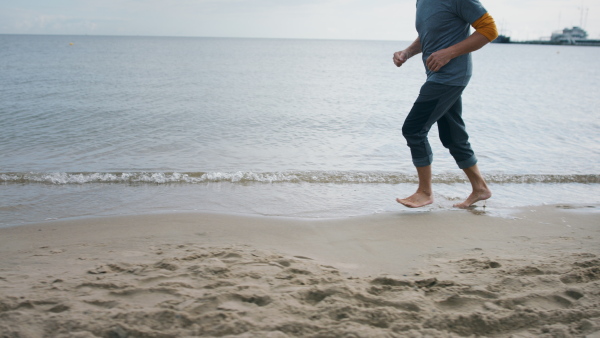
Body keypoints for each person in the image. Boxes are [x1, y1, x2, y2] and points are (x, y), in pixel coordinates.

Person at [393, 0, 498, 209]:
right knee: (452, 135)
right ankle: (480, 188)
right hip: (439, 77)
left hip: (450, 78)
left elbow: (489, 30)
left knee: (413, 129)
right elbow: (430, 35)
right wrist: (407, 52)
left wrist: (449, 53)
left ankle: (425, 192)